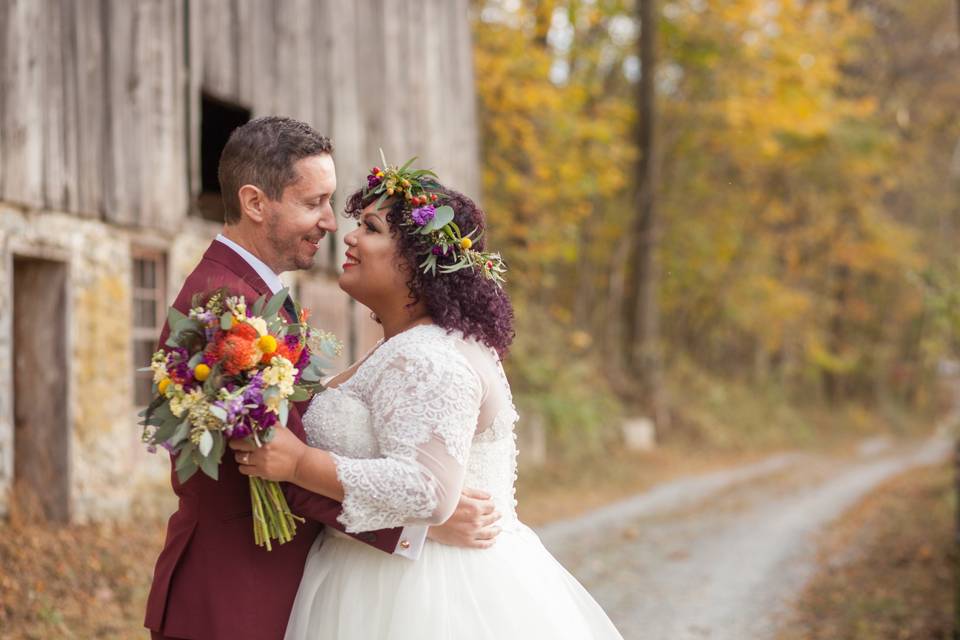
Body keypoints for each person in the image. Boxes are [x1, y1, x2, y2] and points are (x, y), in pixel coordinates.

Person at [231, 159, 624, 639]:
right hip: (377, 573)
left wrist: (298, 464)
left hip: (424, 594)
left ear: (417, 264)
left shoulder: (427, 356)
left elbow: (427, 490)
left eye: (371, 228)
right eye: (357, 224)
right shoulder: (407, 346)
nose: (349, 238)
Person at [145, 117, 500, 640]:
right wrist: (418, 526)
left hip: (271, 587)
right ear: (256, 203)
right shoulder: (221, 307)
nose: (332, 223)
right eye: (314, 203)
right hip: (228, 596)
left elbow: (292, 452)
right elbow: (271, 468)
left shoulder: (255, 297)